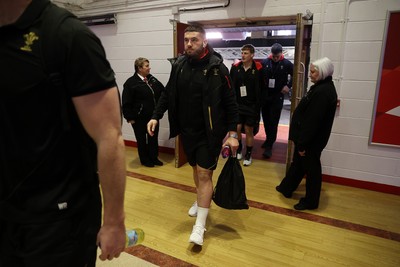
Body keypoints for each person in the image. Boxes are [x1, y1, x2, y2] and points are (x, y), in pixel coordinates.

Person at [0, 0, 126, 266]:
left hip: (59, 221)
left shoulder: (67, 36)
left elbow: (109, 136)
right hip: (8, 210)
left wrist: (114, 222)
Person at [147, 25, 239, 246]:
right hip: (187, 132)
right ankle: (200, 200)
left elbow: (231, 103)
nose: (188, 44)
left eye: (194, 40)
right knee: (195, 170)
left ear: (204, 42)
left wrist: (233, 133)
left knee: (205, 174)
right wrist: (155, 116)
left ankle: (200, 226)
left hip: (210, 133)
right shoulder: (179, 65)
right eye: (186, 40)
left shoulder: (218, 69)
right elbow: (168, 93)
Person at [276, 57, 338, 210]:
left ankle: (311, 201)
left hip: (311, 140)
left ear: (322, 72)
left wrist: (303, 143)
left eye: (313, 72)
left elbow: (313, 121)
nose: (310, 74)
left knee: (312, 169)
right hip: (307, 138)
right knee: (299, 164)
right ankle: (287, 187)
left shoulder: (323, 92)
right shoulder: (320, 87)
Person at [122, 57, 165, 167]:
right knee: (141, 139)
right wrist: (129, 117)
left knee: (153, 138)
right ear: (139, 68)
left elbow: (162, 90)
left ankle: (154, 158)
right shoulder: (131, 83)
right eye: (146, 66)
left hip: (152, 117)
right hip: (138, 118)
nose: (149, 68)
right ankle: (145, 160)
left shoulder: (151, 79)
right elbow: (126, 102)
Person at [230, 44, 263, 166]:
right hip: (238, 104)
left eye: (246, 53)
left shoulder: (259, 69)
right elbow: (231, 87)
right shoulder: (235, 68)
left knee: (249, 129)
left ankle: (248, 154)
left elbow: (262, 88)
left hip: (252, 106)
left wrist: (259, 105)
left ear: (252, 55)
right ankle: (239, 149)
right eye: (242, 53)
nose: (243, 55)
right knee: (237, 128)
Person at [261, 43, 293, 158]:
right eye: (273, 56)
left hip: (277, 96)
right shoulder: (265, 62)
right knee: (266, 119)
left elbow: (295, 75)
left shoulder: (287, 64)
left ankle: (269, 145)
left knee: (273, 121)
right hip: (266, 96)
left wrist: (288, 86)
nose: (275, 58)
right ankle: (268, 139)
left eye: (277, 56)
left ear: (281, 54)